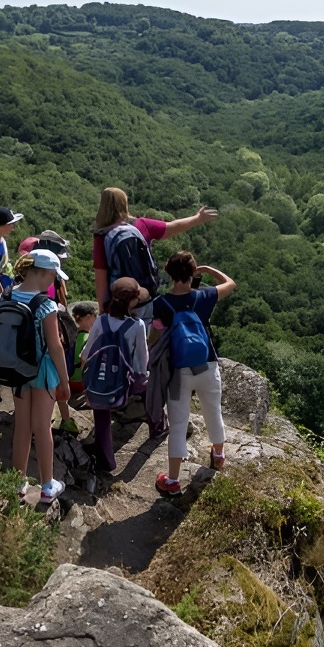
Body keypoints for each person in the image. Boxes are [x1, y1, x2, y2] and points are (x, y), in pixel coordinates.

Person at [153, 251, 236, 496]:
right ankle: (218, 456)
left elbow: (152, 336)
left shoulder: (161, 303)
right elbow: (230, 283)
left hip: (179, 371)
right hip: (207, 365)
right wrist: (207, 269)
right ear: (192, 273)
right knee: (213, 411)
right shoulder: (204, 296)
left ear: (169, 273)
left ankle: (172, 481)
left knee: (178, 424)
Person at [7, 250, 71, 504]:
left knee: (22, 426)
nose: (54, 281)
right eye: (54, 276)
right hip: (43, 371)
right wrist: (64, 381)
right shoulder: (46, 305)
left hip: (17, 370)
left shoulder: (7, 295)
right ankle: (47, 486)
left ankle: (17, 483)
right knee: (42, 427)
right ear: (44, 273)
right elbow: (55, 346)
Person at [91, 187, 219, 311]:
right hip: (145, 296)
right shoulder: (140, 224)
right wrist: (198, 218)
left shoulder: (102, 235)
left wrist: (103, 310)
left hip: (119, 305)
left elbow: (101, 276)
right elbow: (171, 228)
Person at [79, 280, 148, 473]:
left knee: (101, 417)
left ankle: (106, 462)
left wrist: (88, 379)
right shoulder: (137, 325)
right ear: (132, 301)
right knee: (149, 391)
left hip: (101, 380)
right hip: (124, 383)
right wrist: (141, 380)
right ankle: (158, 426)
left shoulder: (101, 320)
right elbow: (142, 359)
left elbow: (87, 352)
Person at [0, 207, 23, 297]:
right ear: (1, 226)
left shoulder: (1, 241)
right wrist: (2, 298)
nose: (12, 227)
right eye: (11, 224)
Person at [69, 301, 99, 398]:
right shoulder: (88, 338)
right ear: (88, 317)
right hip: (80, 383)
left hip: (69, 379)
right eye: (95, 316)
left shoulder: (72, 335)